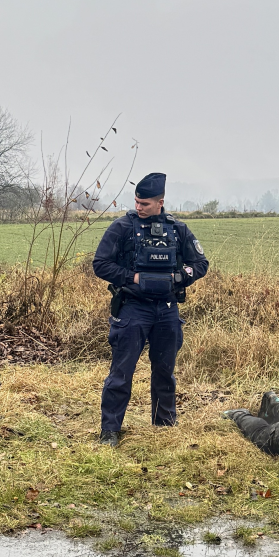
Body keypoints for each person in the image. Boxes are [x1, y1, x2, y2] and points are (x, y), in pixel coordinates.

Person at [92, 172, 209, 447]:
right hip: (133, 309)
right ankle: (110, 431)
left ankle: (164, 426)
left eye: (145, 203)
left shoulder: (178, 230)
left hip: (167, 310)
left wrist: (179, 277)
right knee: (121, 373)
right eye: (136, 202)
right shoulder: (121, 228)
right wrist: (133, 278)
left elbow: (200, 263)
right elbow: (100, 264)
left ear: (160, 202)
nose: (139, 207)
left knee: (164, 371)